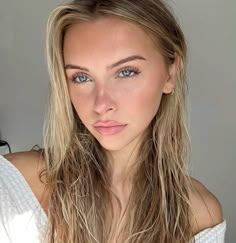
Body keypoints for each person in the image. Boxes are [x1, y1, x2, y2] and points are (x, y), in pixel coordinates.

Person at [0, 0, 226, 242]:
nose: (101, 104)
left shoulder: (198, 214)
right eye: (81, 77)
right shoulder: (12, 186)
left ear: (170, 73)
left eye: (126, 72)